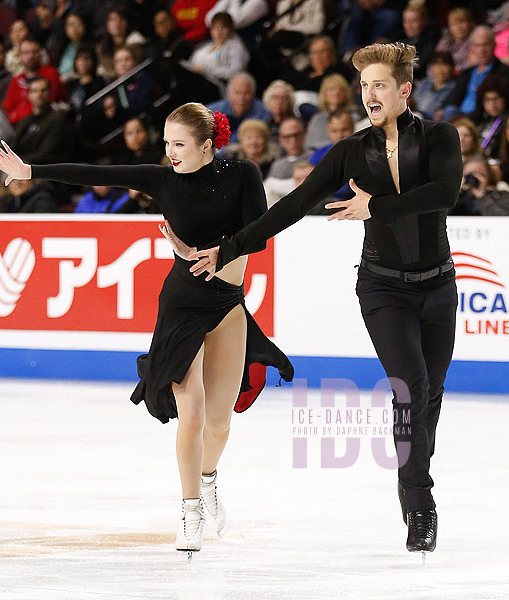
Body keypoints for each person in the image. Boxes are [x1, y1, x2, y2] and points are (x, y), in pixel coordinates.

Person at [187, 42, 463, 555]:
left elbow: (445, 195)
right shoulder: (350, 152)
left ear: (404, 90)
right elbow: (290, 207)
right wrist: (230, 247)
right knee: (412, 386)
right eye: (363, 85)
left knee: (430, 395)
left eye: (379, 84)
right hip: (383, 288)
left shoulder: (440, 138)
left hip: (439, 287)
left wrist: (374, 206)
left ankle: (410, 479)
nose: (369, 94)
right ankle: (421, 503)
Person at [0, 103, 293, 555]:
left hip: (228, 304)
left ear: (207, 145)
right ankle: (189, 511)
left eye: (179, 145)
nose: (170, 153)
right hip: (182, 306)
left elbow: (260, 236)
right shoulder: (163, 179)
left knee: (221, 421)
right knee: (193, 411)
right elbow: (90, 173)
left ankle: (207, 481)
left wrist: (211, 252)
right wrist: (30, 168)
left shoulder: (242, 174)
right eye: (166, 143)